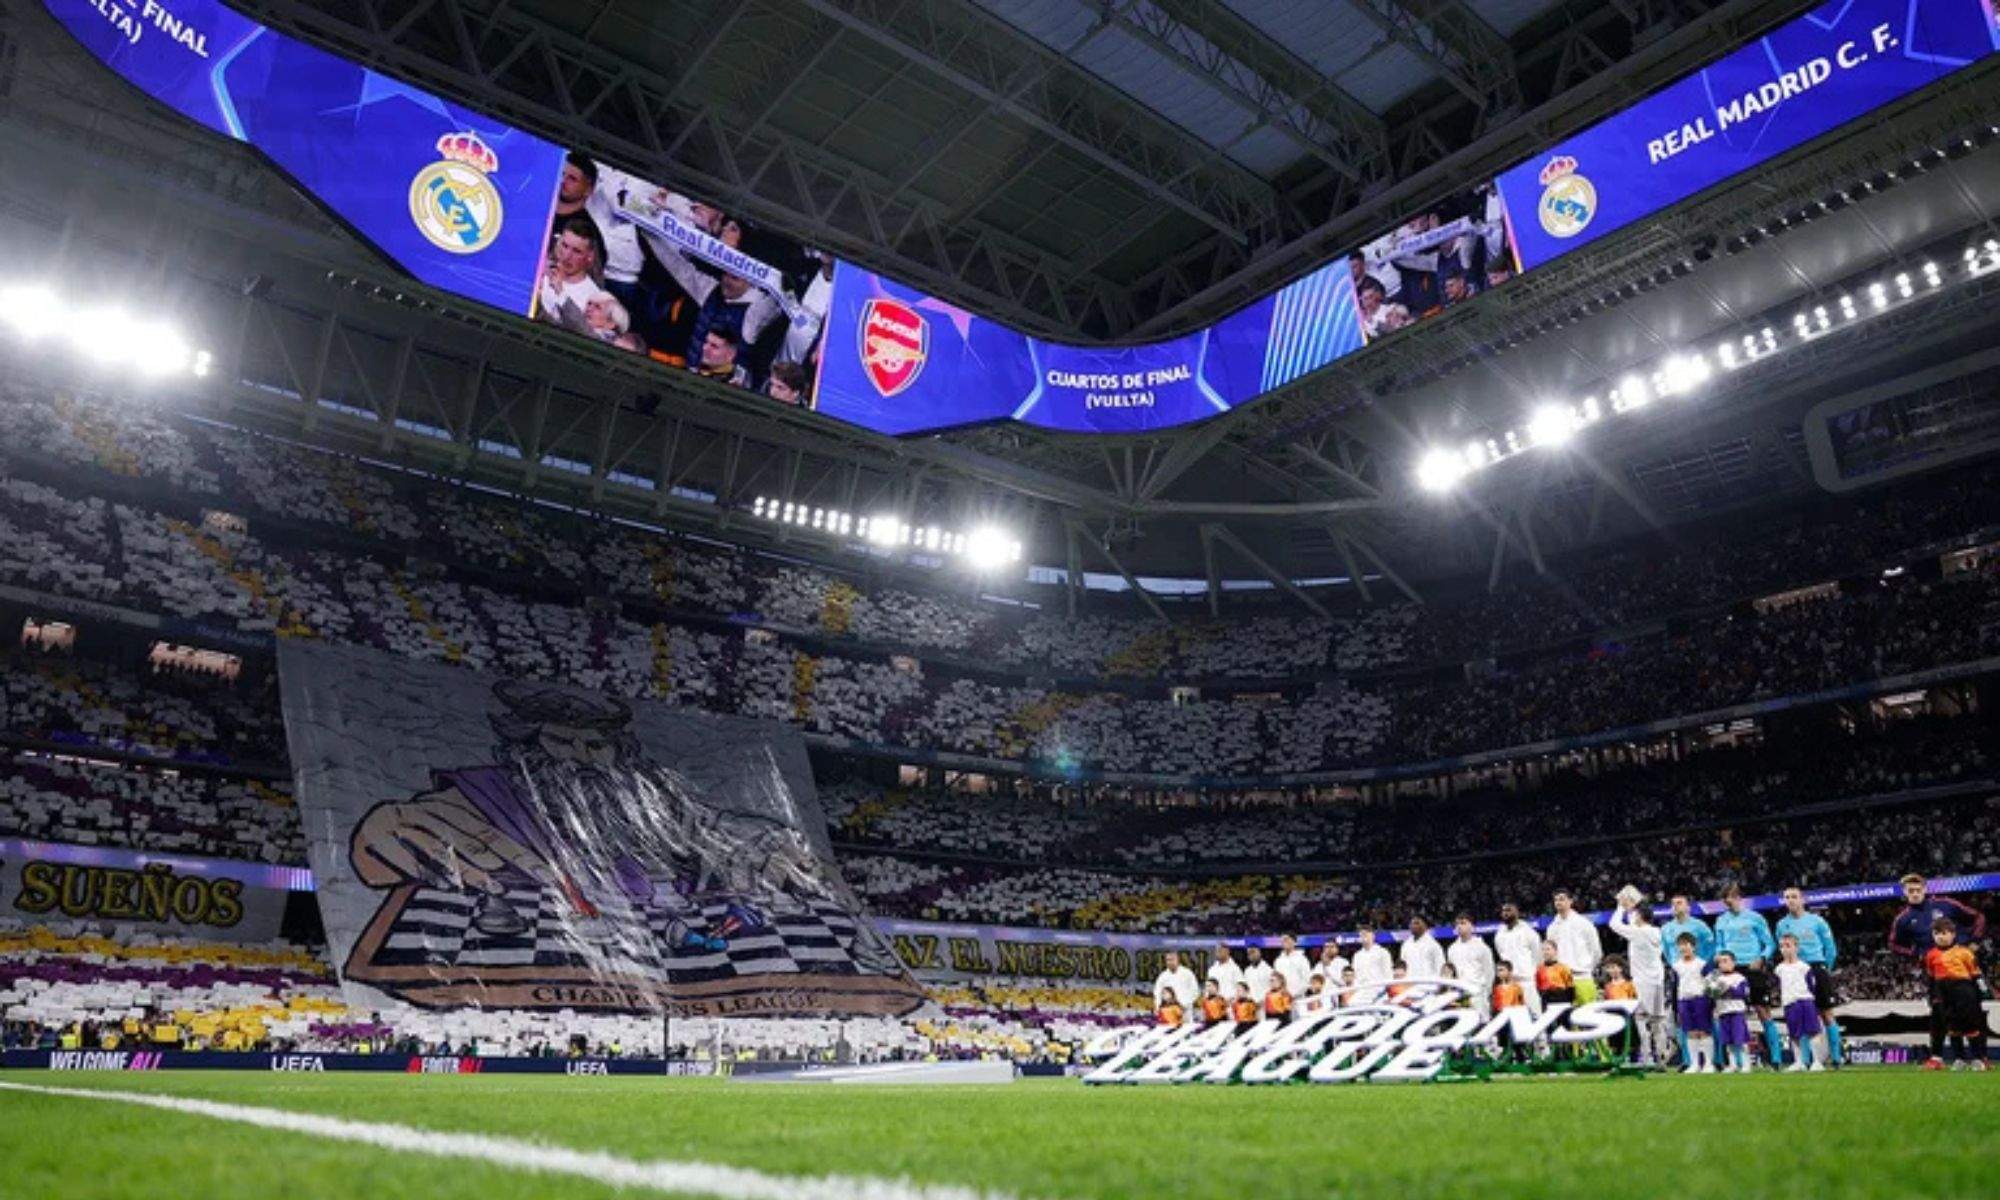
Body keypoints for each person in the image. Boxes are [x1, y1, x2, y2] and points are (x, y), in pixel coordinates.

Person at [1889, 874, 1988, 1067]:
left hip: (1963, 967)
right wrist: (1915, 953)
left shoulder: (1946, 904)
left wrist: (1975, 941)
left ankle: (1981, 1056)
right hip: (1936, 971)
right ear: (1904, 893)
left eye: (1918, 890)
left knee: (1974, 1013)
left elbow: (1978, 917)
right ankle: (1938, 1057)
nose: (1915, 894)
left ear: (1925, 889)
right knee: (1939, 1013)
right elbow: (1893, 944)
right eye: (1911, 891)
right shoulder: (1903, 919)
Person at [1774, 886, 1841, 1066]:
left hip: (1817, 966)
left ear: (1802, 899)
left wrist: (1826, 968)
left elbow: (1830, 948)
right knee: (1799, 1015)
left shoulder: (1817, 921)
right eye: (1787, 897)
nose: (1790, 900)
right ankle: (1802, 1061)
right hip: (1795, 970)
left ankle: (1835, 1057)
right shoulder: (1782, 925)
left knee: (1826, 1013)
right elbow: (1782, 947)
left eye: (1794, 897)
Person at [1714, 885, 1780, 1065]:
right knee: (1727, 1011)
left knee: (1762, 1010)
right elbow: (1719, 945)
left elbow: (1770, 943)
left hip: (1753, 968)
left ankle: (1776, 1058)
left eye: (1731, 897)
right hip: (1730, 970)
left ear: (1739, 898)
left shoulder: (1755, 918)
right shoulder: (1721, 920)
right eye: (1725, 898)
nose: (1728, 900)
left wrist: (1762, 958)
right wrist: (1720, 957)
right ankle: (1724, 1060)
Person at [1920, 918, 1990, 1071]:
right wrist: (1932, 995)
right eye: (1937, 933)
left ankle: (1978, 1059)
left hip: (1964, 990)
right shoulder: (1930, 955)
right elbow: (1931, 978)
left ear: (1953, 934)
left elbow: (1976, 975)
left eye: (1944, 933)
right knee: (1952, 1027)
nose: (1940, 937)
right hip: (1943, 991)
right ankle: (1960, 1059)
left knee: (1971, 1025)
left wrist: (1983, 993)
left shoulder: (1964, 952)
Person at [1608, 895, 1670, 1064]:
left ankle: (1647, 1058)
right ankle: (1662, 1058)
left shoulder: (1638, 932)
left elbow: (1614, 924)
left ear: (1640, 917)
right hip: (1657, 981)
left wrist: (1621, 906)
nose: (1632, 917)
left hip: (1642, 982)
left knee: (1641, 1019)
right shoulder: (1657, 932)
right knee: (1658, 1020)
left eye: (1635, 915)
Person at [1774, 935, 1829, 1072]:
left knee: (1813, 1032)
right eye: (1782, 946)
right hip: (1789, 1003)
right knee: (1794, 1034)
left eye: (1788, 945)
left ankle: (1817, 1061)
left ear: (1796, 947)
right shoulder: (1779, 969)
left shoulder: (1804, 967)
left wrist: (1806, 998)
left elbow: (1812, 986)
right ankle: (1799, 1062)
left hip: (1805, 1001)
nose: (1784, 949)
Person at [1670, 933, 1717, 1073]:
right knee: (1690, 1033)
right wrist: (1676, 1007)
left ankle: (1708, 1064)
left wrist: (1712, 1003)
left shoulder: (1702, 964)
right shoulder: (1676, 966)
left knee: (1704, 1032)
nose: (1684, 948)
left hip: (1700, 999)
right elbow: (1675, 986)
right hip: (1684, 1000)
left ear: (1693, 946)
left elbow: (1712, 984)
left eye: (1686, 945)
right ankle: (1694, 1063)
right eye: (1681, 945)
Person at [1546, 890, 1602, 1002]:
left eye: (1562, 899)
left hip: (1582, 976)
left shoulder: (1584, 923)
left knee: (1587, 1014)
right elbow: (1551, 952)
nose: (1558, 902)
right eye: (1556, 900)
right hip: (1561, 980)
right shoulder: (1552, 927)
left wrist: (1587, 967)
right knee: (1566, 1016)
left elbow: (1596, 949)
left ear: (1570, 901)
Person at [1493, 903, 1544, 1014]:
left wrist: (1532, 973)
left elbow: (1538, 956)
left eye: (1509, 910)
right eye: (1503, 911)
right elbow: (1501, 955)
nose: (1505, 913)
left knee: (1535, 1016)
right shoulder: (1499, 934)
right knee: (1514, 1019)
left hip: (1527, 981)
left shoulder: (1528, 932)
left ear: (1517, 912)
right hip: (1509, 983)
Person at [1709, 951, 1753, 1073]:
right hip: (1723, 1012)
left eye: (1726, 961)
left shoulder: (1739, 978)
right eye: (1720, 962)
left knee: (1741, 1039)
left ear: (1733, 963)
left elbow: (1742, 993)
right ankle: (1733, 1064)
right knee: (1728, 1041)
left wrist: (1727, 989)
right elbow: (1711, 993)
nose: (1723, 964)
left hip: (1736, 1012)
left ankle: (1745, 1063)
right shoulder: (1715, 978)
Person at [1447, 914, 1496, 1019]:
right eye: (1457, 924)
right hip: (1460, 993)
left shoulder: (1482, 947)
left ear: (1472, 926)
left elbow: (1489, 972)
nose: (1459, 926)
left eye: (1463, 923)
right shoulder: (1452, 949)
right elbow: (1451, 973)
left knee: (1482, 1024)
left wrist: (1486, 992)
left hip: (1478, 992)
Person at [1490, 961, 1531, 1063]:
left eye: (1502, 970)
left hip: (1514, 1017)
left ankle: (1521, 1057)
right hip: (1501, 1017)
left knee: (1516, 1040)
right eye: (1498, 971)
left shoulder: (1516, 987)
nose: (1499, 973)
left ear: (1510, 971)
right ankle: (1506, 1058)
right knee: (1503, 1040)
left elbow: (1521, 1002)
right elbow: (1495, 1005)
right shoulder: (1497, 989)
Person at [1152, 952, 1199, 1019]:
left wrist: (1184, 1004)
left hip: (1185, 1011)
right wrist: (1157, 1007)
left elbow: (1195, 991)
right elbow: (1157, 993)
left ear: (1177, 960)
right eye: (1168, 960)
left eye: (1172, 959)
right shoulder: (1162, 976)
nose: (1170, 962)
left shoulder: (1187, 973)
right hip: (1168, 1011)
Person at [1352, 924, 1393, 995]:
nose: (1364, 937)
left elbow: (1388, 973)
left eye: (1366, 934)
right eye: (1361, 935)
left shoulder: (1382, 952)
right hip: (1361, 992)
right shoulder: (1357, 955)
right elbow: (1355, 976)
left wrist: (1385, 990)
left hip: (1379, 991)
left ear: (1373, 936)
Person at [1401, 917, 1446, 981]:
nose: (1413, 926)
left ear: (1425, 926)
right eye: (1411, 923)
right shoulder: (1405, 945)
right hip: (1409, 984)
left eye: (1417, 923)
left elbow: (1440, 967)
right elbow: (1402, 967)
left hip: (1428, 985)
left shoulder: (1433, 945)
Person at [1273, 934, 1313, 999]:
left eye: (1287, 939)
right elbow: (1276, 980)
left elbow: (1307, 980)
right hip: (1282, 1000)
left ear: (1294, 942)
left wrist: (1293, 994)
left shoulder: (1302, 959)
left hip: (1298, 999)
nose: (1285, 941)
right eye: (1283, 940)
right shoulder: (1278, 961)